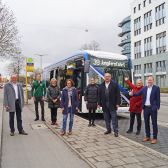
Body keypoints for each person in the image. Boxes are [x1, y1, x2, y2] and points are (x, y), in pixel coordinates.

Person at [130, 76, 160, 144]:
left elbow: (158, 99)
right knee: (146, 123)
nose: (149, 81)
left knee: (154, 123)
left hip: (153, 109)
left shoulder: (156, 88)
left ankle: (154, 138)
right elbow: (137, 93)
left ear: (153, 81)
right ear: (147, 81)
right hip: (145, 108)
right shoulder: (144, 88)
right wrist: (132, 93)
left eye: (151, 80)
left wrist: (157, 107)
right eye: (148, 80)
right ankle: (148, 136)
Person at [98, 73, 120, 137]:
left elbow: (118, 94)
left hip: (112, 104)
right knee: (106, 119)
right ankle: (108, 130)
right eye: (106, 76)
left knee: (114, 119)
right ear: (104, 77)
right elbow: (99, 95)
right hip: (104, 104)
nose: (107, 78)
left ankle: (116, 131)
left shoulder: (114, 84)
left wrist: (118, 103)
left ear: (110, 77)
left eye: (108, 76)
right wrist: (99, 103)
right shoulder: (101, 85)